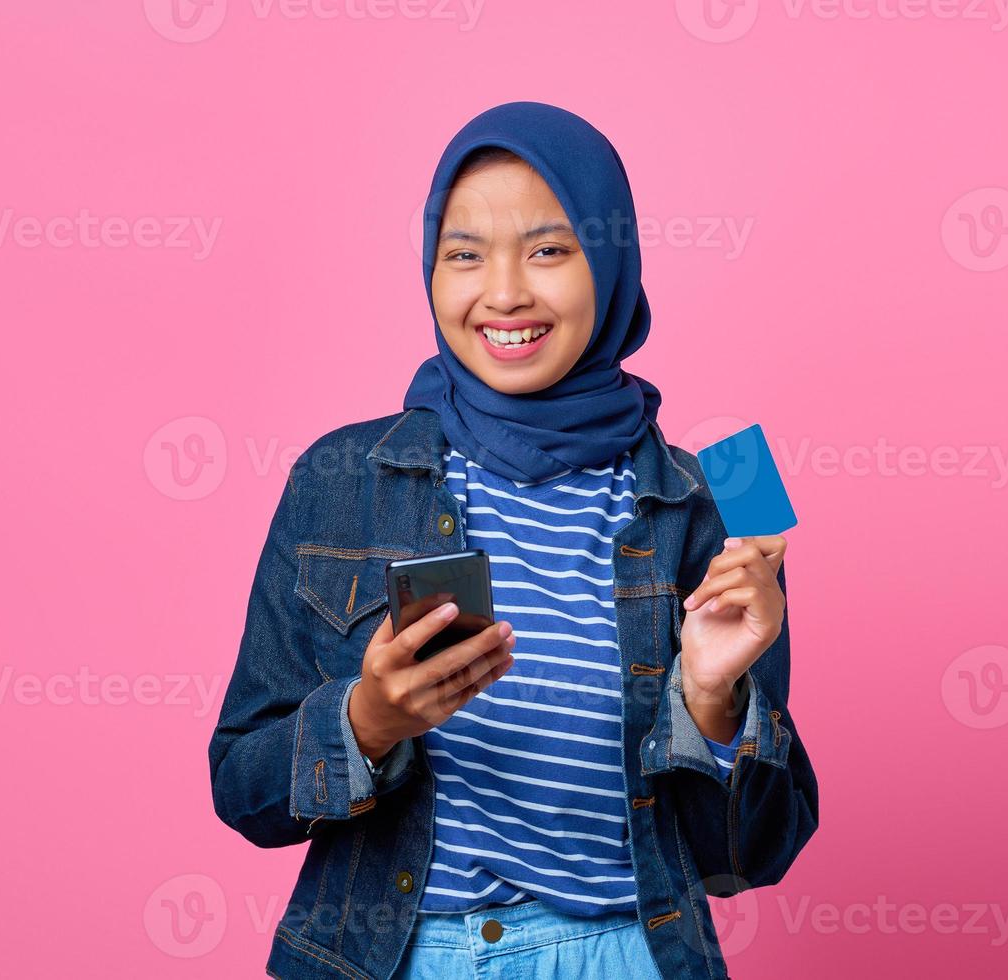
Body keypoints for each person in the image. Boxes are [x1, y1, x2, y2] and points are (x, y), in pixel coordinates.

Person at [208, 100, 818, 980]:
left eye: (547, 249)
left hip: (624, 955)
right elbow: (243, 790)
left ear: (609, 265)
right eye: (464, 254)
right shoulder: (338, 477)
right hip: (387, 958)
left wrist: (716, 705)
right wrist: (367, 723)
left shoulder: (719, 496)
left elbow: (748, 858)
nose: (503, 293)